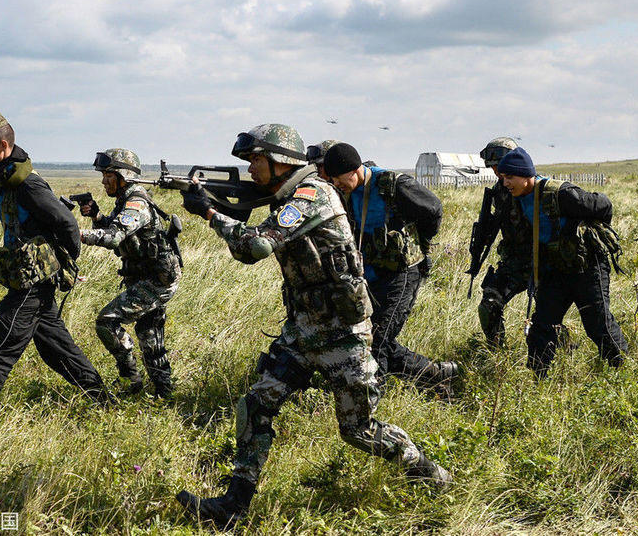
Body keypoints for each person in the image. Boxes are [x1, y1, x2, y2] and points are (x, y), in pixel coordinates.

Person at [176, 124, 451, 528]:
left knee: (357, 430)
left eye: (255, 160)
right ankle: (233, 507)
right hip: (304, 330)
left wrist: (209, 212)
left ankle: (430, 475)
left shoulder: (310, 195)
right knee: (255, 405)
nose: (251, 168)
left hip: (342, 332)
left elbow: (254, 246)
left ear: (280, 160)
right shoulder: (288, 195)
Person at [0, 112, 108, 414]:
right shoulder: (9, 179)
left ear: (2, 145)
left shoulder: (28, 185)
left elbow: (67, 223)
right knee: (57, 349)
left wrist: (67, 263)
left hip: (32, 284)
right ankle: (103, 400)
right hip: (31, 280)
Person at [322, 143, 458, 395]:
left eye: (339, 180)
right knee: (367, 338)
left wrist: (417, 241)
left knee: (378, 341)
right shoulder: (347, 191)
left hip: (403, 273)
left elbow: (433, 209)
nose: (337, 185)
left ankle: (374, 402)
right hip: (371, 275)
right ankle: (436, 375)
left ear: (354, 170)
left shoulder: (393, 185)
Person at [496, 147, 628, 377]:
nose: (505, 183)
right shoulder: (516, 199)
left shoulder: (561, 193)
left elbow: (604, 206)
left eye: (510, 177)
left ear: (526, 175)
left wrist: (582, 232)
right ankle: (539, 378)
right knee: (542, 328)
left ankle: (622, 370)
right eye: (503, 177)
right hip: (554, 271)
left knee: (598, 324)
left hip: (587, 267)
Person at [79, 149, 182, 398]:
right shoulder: (125, 200)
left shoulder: (136, 202)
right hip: (151, 276)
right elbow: (114, 226)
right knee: (149, 333)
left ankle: (131, 379)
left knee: (107, 322)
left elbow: (114, 237)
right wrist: (96, 215)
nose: (104, 181)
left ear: (123, 176)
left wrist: (76, 234)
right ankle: (163, 392)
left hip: (156, 280)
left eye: (108, 175)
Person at [475, 137, 576, 350]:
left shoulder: (538, 188)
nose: (496, 171)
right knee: (489, 305)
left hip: (542, 262)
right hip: (513, 262)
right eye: (493, 167)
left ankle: (566, 350)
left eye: (499, 166)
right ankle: (497, 354)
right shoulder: (499, 192)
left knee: (547, 317)